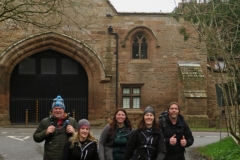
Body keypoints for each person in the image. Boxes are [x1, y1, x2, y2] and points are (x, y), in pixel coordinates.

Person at [33, 95, 77, 160]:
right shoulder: (46, 121)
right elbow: (36, 137)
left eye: (60, 108)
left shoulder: (72, 121)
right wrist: (45, 132)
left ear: (63, 110)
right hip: (50, 157)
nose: (58, 110)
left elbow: (82, 138)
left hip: (67, 157)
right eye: (55, 108)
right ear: (52, 110)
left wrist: (74, 132)